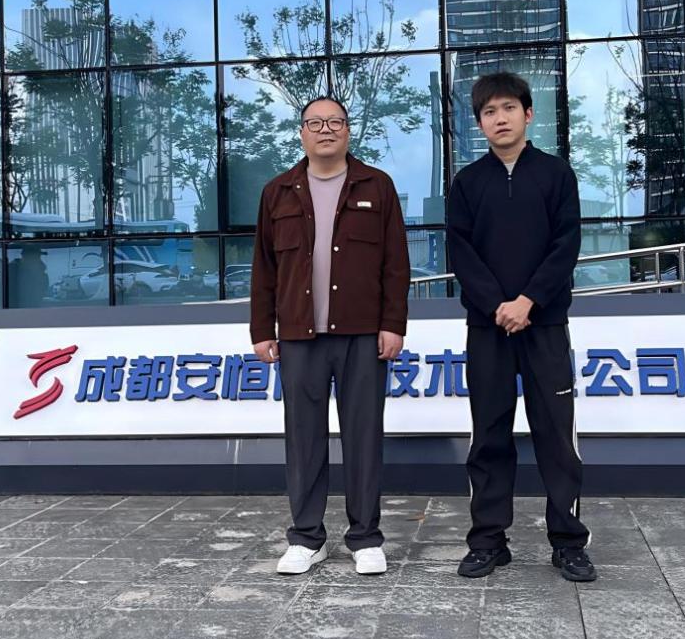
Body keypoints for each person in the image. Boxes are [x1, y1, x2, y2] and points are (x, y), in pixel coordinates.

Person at [250, 96, 409, 576]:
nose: (325, 130)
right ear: (301, 132)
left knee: (364, 436)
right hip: (299, 335)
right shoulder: (278, 192)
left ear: (348, 130)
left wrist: (393, 324)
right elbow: (264, 268)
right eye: (315, 123)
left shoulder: (376, 186)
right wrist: (262, 330)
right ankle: (306, 537)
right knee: (303, 439)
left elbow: (396, 264)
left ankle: (365, 537)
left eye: (335, 121)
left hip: (363, 334)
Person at [446, 72, 596, 582]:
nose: (500, 118)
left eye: (508, 108)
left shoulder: (556, 175)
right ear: (480, 123)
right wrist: (498, 305)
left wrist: (528, 301)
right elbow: (461, 252)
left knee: (556, 435)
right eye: (489, 112)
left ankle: (569, 541)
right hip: (487, 328)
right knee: (489, 434)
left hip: (544, 323)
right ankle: (488, 540)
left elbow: (566, 245)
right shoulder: (467, 183)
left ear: (528, 114)